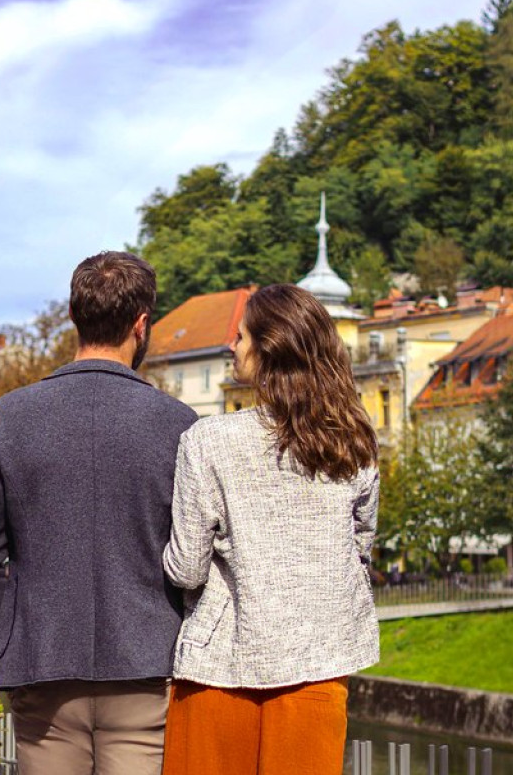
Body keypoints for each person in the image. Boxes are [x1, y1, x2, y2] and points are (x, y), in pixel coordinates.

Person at [0, 252, 198, 775]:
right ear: (141, 325)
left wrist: (3, 644)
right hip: (147, 665)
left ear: (74, 315)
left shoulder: (12, 415)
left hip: (42, 667)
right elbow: (194, 555)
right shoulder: (178, 423)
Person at [162, 284, 380, 775]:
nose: (232, 347)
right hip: (320, 666)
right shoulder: (353, 443)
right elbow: (360, 547)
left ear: (267, 348)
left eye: (239, 337)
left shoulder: (210, 440)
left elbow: (187, 569)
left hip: (221, 669)